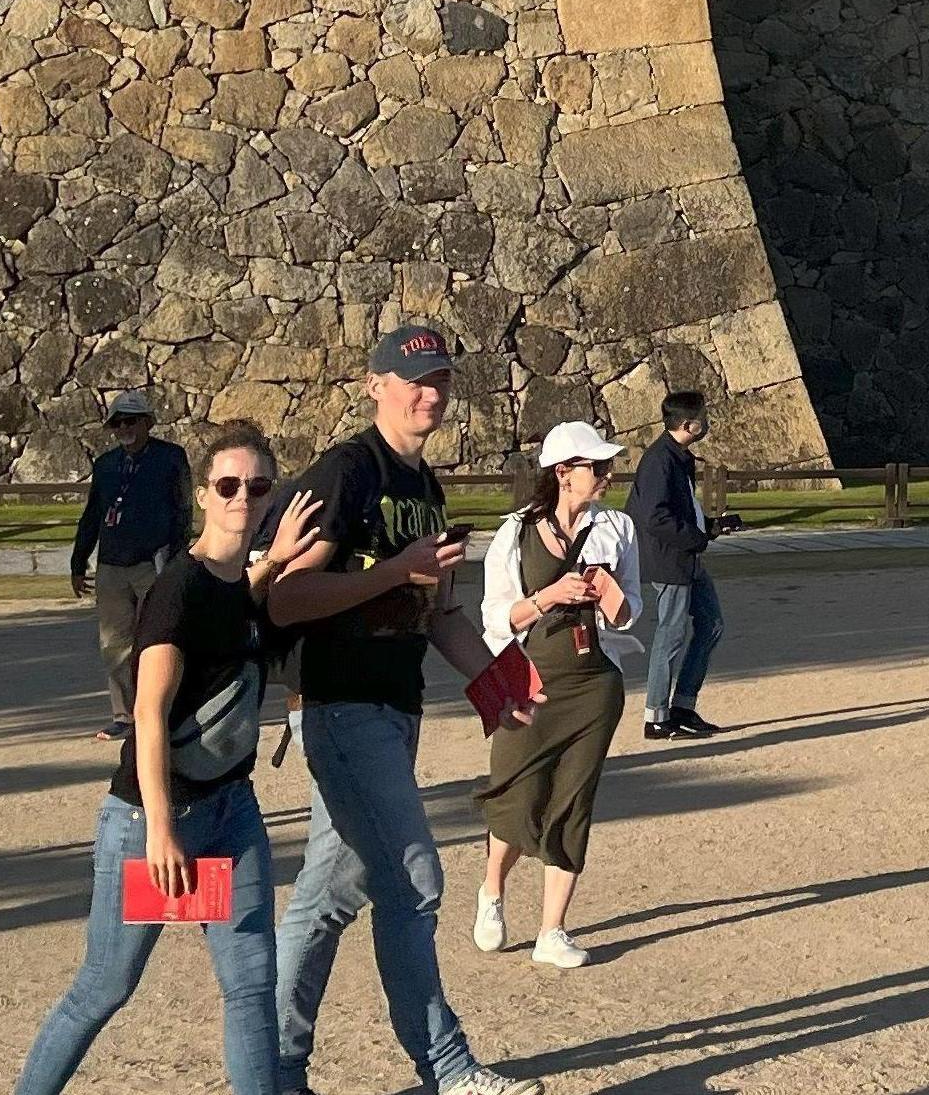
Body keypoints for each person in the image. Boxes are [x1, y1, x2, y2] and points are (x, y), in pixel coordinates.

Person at [262, 324, 536, 1095]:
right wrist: (389, 571)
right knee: (415, 882)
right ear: (374, 382)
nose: (431, 393)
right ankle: (445, 1064)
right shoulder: (347, 473)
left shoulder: (425, 489)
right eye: (416, 378)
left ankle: (274, 1066)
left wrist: (493, 685)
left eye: (442, 379)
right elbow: (286, 596)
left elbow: (440, 613)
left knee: (328, 894)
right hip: (340, 706)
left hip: (393, 707)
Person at [13, 422, 325, 1095]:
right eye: (229, 484)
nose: (244, 495)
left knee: (250, 984)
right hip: (154, 821)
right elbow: (149, 713)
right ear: (204, 495)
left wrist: (278, 560)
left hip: (231, 813)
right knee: (104, 986)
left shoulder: (237, 583)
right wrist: (160, 830)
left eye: (258, 485)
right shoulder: (176, 589)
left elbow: (241, 596)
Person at [474, 423, 638, 969]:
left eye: (607, 465)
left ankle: (552, 930)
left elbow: (632, 609)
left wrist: (611, 598)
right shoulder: (514, 533)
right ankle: (492, 892)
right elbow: (494, 618)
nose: (607, 475)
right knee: (518, 794)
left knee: (574, 803)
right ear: (563, 472)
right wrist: (547, 596)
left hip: (595, 682)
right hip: (532, 681)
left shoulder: (617, 527)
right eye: (597, 466)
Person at [71, 390, 194, 739]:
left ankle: (164, 708)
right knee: (115, 643)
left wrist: (177, 556)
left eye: (131, 421)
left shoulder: (170, 458)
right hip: (112, 564)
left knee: (159, 638)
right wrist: (79, 560)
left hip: (153, 561)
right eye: (118, 422)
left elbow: (183, 509)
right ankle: (125, 715)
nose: (124, 428)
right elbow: (93, 514)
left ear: (147, 423)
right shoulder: (106, 465)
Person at [625, 394, 729, 743]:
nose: (708, 420)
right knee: (670, 635)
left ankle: (683, 706)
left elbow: (679, 509)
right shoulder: (659, 460)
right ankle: (656, 717)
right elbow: (655, 517)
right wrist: (696, 539)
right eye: (703, 416)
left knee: (712, 623)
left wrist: (711, 525)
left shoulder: (678, 458)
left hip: (687, 556)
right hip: (669, 559)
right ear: (688, 425)